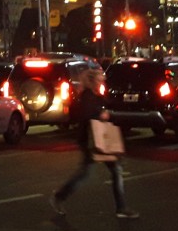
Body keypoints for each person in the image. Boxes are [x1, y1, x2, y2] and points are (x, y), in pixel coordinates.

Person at [50, 67, 138, 220]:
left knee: (110, 170)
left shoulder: (92, 95)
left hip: (95, 140)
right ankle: (59, 196)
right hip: (92, 141)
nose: (102, 81)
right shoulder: (88, 96)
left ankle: (121, 207)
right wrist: (101, 114)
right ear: (93, 81)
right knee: (89, 173)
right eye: (99, 79)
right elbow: (88, 114)